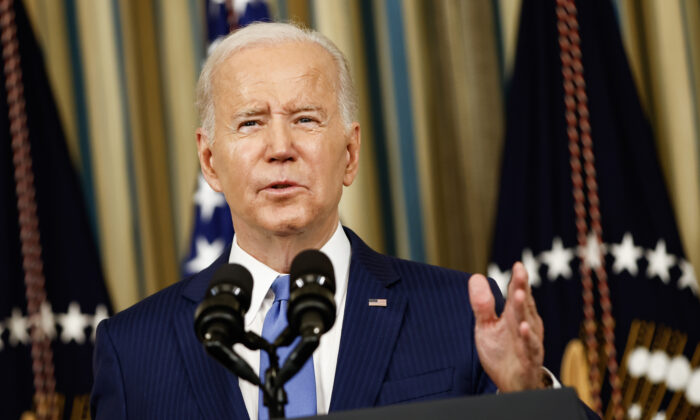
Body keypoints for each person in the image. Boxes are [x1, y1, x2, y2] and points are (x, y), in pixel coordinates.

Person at [91, 22, 597, 419]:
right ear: (209, 162)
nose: (280, 149)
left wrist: (528, 396)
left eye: (306, 119)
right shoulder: (134, 350)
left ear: (350, 152)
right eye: (250, 122)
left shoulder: (460, 317)